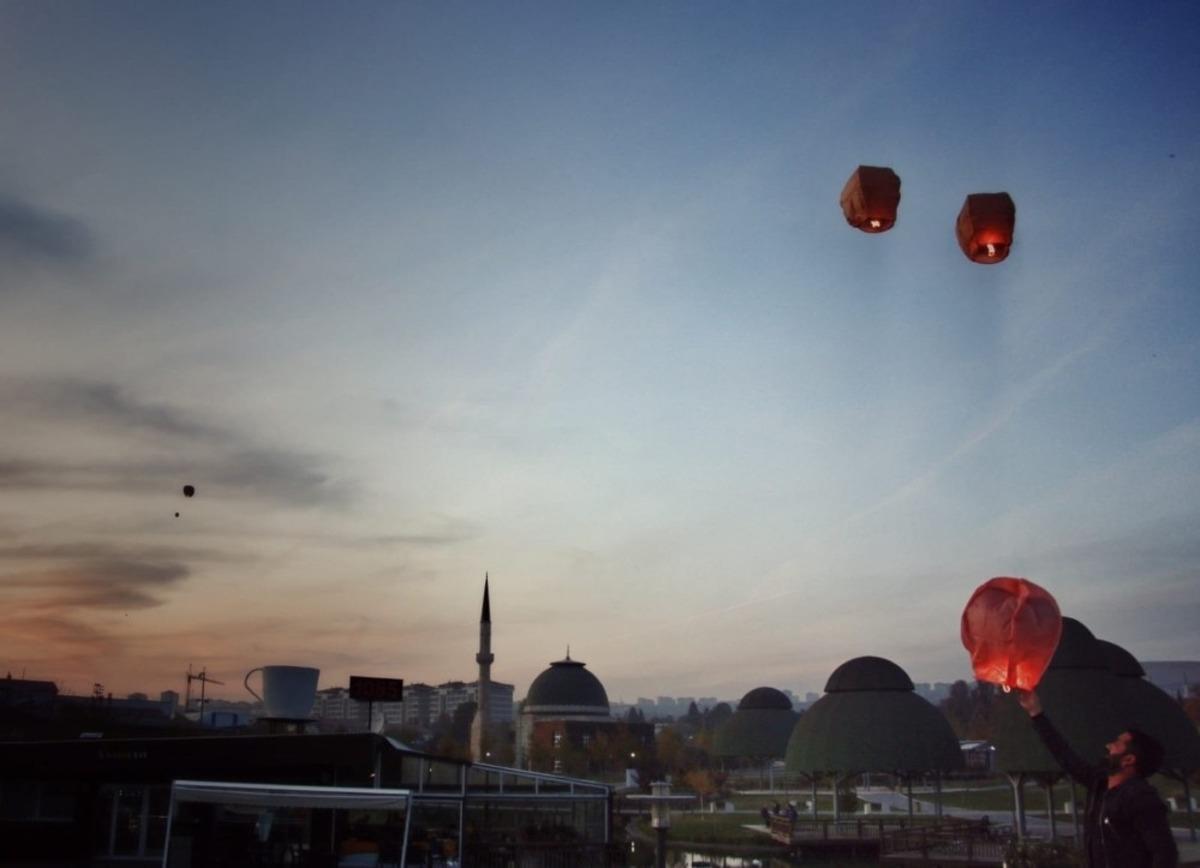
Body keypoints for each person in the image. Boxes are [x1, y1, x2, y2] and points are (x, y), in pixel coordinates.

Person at [1016, 689, 1177, 868]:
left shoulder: (1140, 799)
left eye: (1117, 744)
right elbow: (1064, 755)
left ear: (1128, 760)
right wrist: (1036, 713)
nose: (1108, 746)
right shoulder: (1100, 786)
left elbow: (1165, 853)